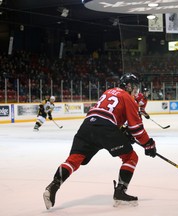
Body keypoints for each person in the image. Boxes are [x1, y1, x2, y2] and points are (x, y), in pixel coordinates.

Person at [43, 73, 157, 210]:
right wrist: (148, 144)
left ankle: (53, 186)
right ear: (129, 86)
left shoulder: (108, 92)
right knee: (130, 157)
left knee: (74, 159)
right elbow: (136, 129)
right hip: (105, 129)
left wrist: (121, 132)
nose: (136, 91)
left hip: (86, 127)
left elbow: (107, 115)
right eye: (135, 87)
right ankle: (120, 192)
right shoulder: (127, 97)